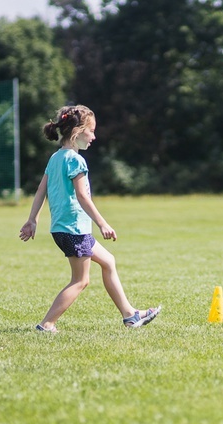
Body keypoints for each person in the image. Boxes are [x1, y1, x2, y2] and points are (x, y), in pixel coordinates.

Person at [19, 104, 160, 332]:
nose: (94, 136)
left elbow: (40, 191)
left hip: (62, 229)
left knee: (108, 261)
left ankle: (130, 315)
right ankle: (47, 324)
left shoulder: (55, 158)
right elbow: (83, 197)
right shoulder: (76, 161)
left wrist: (32, 219)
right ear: (77, 131)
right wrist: (102, 223)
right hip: (74, 229)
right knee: (80, 281)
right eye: (91, 131)